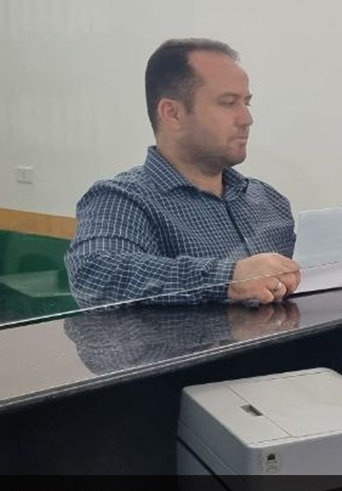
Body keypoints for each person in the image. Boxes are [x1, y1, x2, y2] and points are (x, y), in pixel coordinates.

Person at [65, 39, 299, 307]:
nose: (247, 118)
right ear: (172, 113)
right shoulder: (122, 200)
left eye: (247, 102)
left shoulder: (269, 201)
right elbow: (96, 275)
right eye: (228, 103)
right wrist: (228, 278)